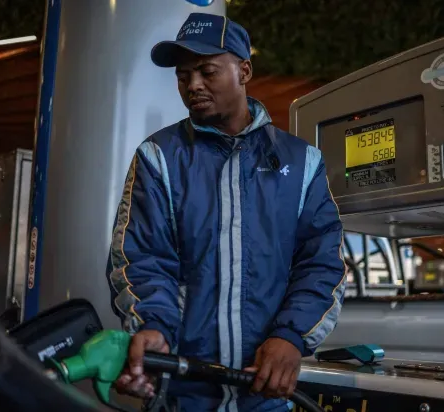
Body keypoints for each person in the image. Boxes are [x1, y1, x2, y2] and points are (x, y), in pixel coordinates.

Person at [106, 12, 346, 412]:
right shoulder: (159, 157)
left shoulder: (302, 162)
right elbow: (143, 258)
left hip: (266, 396)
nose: (193, 85)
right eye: (183, 76)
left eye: (207, 71)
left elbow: (321, 262)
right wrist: (154, 327)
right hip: (180, 395)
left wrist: (290, 336)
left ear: (244, 71)